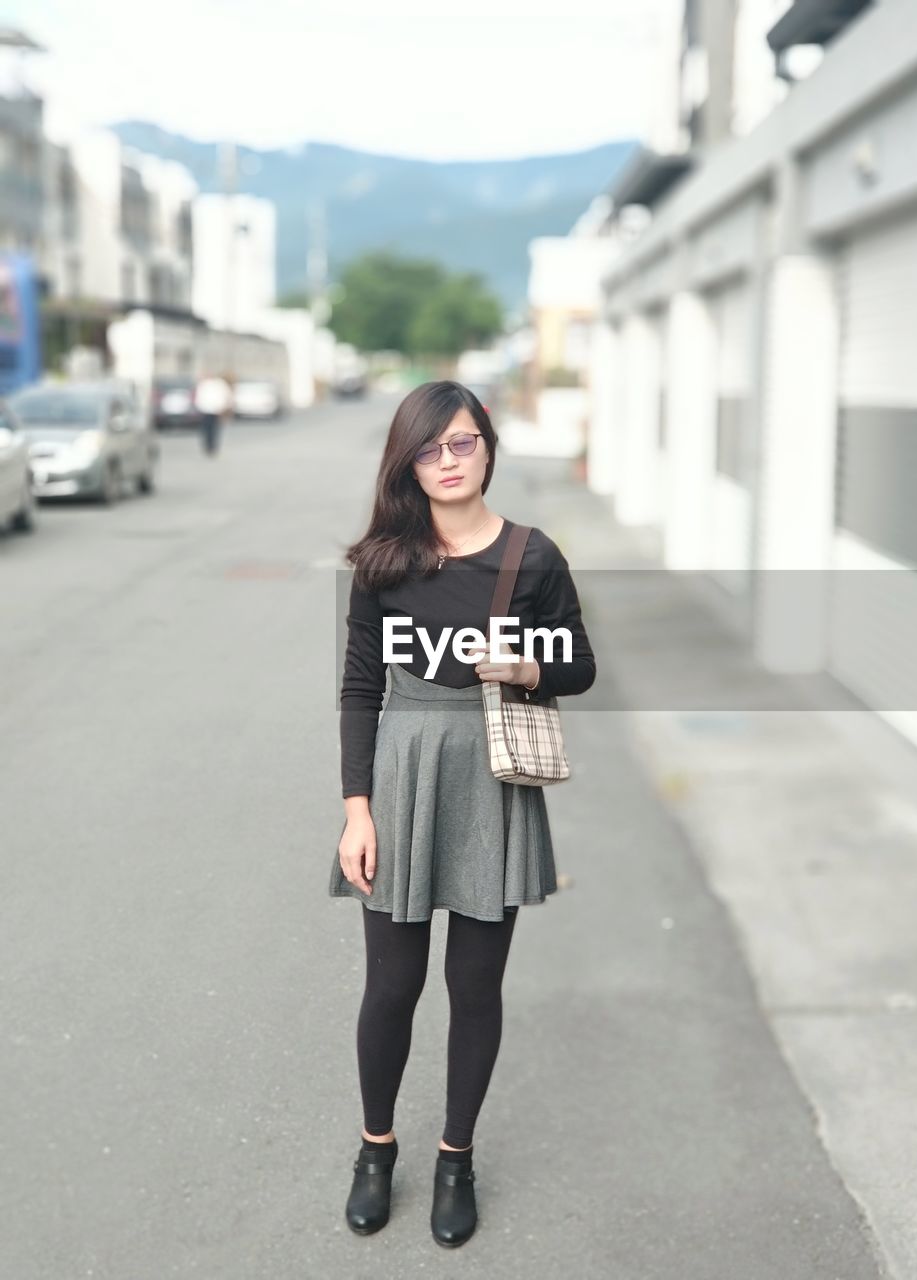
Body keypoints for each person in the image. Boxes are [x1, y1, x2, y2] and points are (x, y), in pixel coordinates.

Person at [329, 380, 597, 1247]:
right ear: (407, 462)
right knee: (393, 987)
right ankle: (376, 1152)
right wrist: (356, 812)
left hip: (491, 781)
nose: (447, 462)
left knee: (474, 988)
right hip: (402, 781)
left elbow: (580, 664)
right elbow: (360, 688)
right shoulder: (383, 561)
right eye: (428, 448)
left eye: (461, 444)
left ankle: (455, 1157)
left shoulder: (533, 556)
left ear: (487, 446)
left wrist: (526, 669)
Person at [193, 372, 233, 455]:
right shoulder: (204, 384)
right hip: (206, 410)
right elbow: (199, 397)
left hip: (217, 410)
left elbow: (226, 395)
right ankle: (208, 446)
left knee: (214, 429)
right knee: (207, 429)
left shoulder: (219, 384)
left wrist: (225, 407)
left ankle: (212, 446)